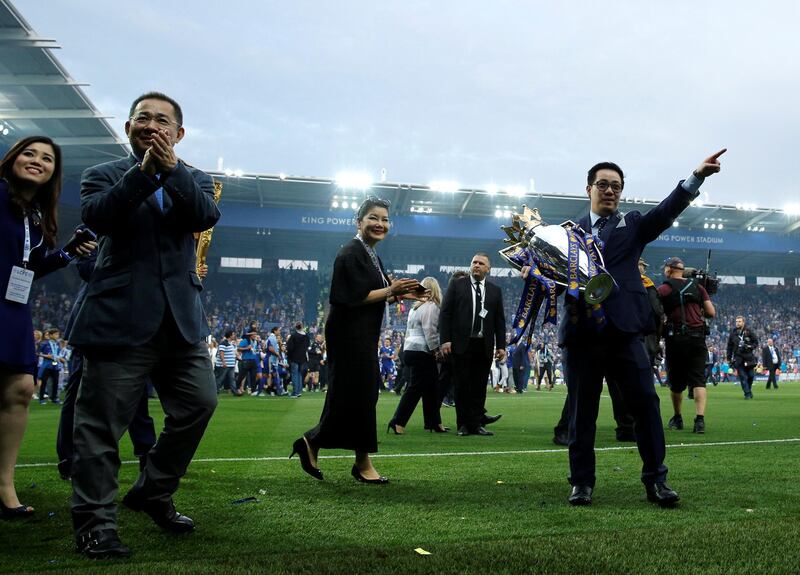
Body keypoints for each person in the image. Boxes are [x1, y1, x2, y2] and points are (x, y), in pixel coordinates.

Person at [68, 92, 220, 558]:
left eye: (162, 120)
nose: (152, 125)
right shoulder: (103, 175)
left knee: (199, 403)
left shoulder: (195, 179)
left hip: (181, 323)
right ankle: (95, 524)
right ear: (128, 127)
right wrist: (144, 173)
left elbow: (203, 216)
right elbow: (99, 216)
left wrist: (170, 170)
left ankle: (152, 492)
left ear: (179, 133)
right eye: (142, 118)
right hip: (120, 318)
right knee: (99, 427)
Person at [556, 149, 726, 507]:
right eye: (603, 184)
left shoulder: (632, 225)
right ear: (588, 189)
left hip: (624, 332)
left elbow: (665, 212)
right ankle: (582, 482)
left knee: (646, 405)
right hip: (582, 334)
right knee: (581, 411)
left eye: (616, 186)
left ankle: (656, 480)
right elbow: (554, 278)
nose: (610, 191)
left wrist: (695, 177)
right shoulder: (565, 235)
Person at [292, 197, 426, 483]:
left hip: (361, 335)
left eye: (385, 220)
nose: (380, 224)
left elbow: (372, 294)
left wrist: (402, 293)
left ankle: (356, 459)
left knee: (363, 395)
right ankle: (315, 443)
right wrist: (392, 290)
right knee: (353, 395)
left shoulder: (371, 255)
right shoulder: (351, 253)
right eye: (373, 218)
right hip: (348, 336)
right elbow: (349, 298)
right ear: (359, 222)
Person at [0, 136, 95, 519]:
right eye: (29, 153)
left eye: (47, 159)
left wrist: (69, 252)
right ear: (11, 159)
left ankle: (4, 485)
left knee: (21, 388)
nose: (37, 161)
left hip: (13, 306)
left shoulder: (34, 215)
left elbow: (31, 266)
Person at [56, 251, 156, 481]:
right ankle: (69, 457)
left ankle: (146, 453)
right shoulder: (98, 224)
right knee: (79, 393)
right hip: (95, 321)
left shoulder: (148, 229)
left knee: (137, 396)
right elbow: (87, 269)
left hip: (134, 322)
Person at [439, 253, 506, 437]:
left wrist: (501, 346)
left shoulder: (495, 290)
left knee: (479, 386)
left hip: (483, 344)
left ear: (488, 268)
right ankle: (463, 424)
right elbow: (445, 313)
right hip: (462, 343)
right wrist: (445, 339)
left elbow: (500, 321)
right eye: (474, 262)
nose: (476, 265)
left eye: (481, 263)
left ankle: (476, 424)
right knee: (462, 386)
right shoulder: (457, 285)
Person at [657, 257, 716, 434]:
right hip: (697, 338)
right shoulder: (698, 287)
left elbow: (655, 311)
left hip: (675, 339)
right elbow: (711, 313)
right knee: (698, 380)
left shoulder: (664, 289)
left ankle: (678, 417)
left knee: (676, 383)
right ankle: (699, 421)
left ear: (669, 269)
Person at [387, 277, 447, 434]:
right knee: (416, 388)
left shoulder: (414, 308)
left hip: (410, 349)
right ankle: (398, 421)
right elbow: (430, 331)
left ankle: (434, 422)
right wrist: (436, 351)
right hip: (422, 350)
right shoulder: (432, 306)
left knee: (431, 387)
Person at [726, 315, 759, 399]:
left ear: (743, 322)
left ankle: (749, 390)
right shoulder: (733, 333)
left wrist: (749, 346)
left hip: (749, 358)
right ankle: (747, 394)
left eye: (739, 321)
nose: (737, 323)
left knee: (751, 376)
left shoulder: (749, 332)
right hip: (738, 358)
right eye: (736, 321)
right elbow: (729, 347)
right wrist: (729, 358)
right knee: (743, 376)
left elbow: (756, 343)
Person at [37, 328, 63, 405]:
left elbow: (58, 353)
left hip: (55, 365)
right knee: (44, 382)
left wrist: (59, 358)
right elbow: (37, 353)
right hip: (47, 365)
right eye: (55, 334)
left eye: (58, 334)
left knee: (55, 382)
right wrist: (46, 355)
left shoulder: (57, 344)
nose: (57, 336)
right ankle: (41, 398)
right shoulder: (44, 343)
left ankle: (54, 398)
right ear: (50, 335)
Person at [286, 322, 309, 397]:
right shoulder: (306, 336)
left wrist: (289, 356)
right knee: (299, 374)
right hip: (302, 358)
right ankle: (299, 391)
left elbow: (290, 348)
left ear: (296, 327)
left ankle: (295, 392)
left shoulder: (293, 336)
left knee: (294, 374)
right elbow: (307, 346)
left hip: (294, 357)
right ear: (302, 327)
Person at [215, 329, 238, 394]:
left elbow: (233, 353)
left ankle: (234, 391)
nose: (234, 335)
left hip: (231, 365)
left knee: (232, 379)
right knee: (220, 379)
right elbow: (221, 353)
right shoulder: (223, 343)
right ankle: (215, 391)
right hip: (224, 365)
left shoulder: (231, 344)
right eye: (233, 334)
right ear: (230, 335)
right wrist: (223, 362)